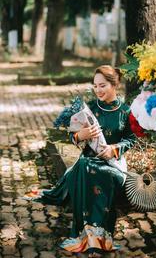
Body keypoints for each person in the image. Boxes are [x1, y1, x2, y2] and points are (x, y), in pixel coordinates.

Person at [25, 65, 135, 257]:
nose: (98, 90)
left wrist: (114, 149)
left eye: (103, 86)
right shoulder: (90, 108)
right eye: (95, 86)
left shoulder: (125, 112)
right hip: (89, 160)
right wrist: (81, 134)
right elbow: (72, 137)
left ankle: (99, 238)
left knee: (90, 170)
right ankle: (89, 239)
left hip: (113, 164)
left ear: (114, 85)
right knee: (84, 166)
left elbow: (131, 139)